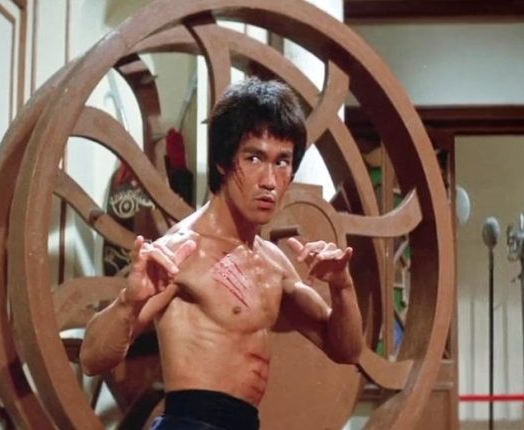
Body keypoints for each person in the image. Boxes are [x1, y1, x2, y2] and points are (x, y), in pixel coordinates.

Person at [80, 78, 364, 430]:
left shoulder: (273, 263)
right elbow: (91, 358)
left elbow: (346, 350)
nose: (270, 181)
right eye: (254, 158)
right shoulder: (183, 249)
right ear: (223, 162)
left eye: (282, 162)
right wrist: (129, 302)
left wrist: (342, 287)